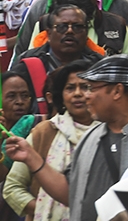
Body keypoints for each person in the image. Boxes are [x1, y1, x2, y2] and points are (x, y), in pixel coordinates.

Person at [5, 55, 128, 221]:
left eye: (92, 88)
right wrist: (31, 158)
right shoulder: (92, 137)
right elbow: (71, 193)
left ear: (117, 91)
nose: (85, 95)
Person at [2, 60, 95, 221]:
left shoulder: (109, 132)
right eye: (70, 88)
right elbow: (12, 187)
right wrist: (46, 209)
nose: (78, 93)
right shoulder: (44, 131)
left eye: (85, 87)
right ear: (61, 96)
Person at [12, 0, 103, 83]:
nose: (70, 31)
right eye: (62, 27)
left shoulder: (99, 65)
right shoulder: (27, 64)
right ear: (49, 33)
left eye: (77, 27)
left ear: (86, 32)